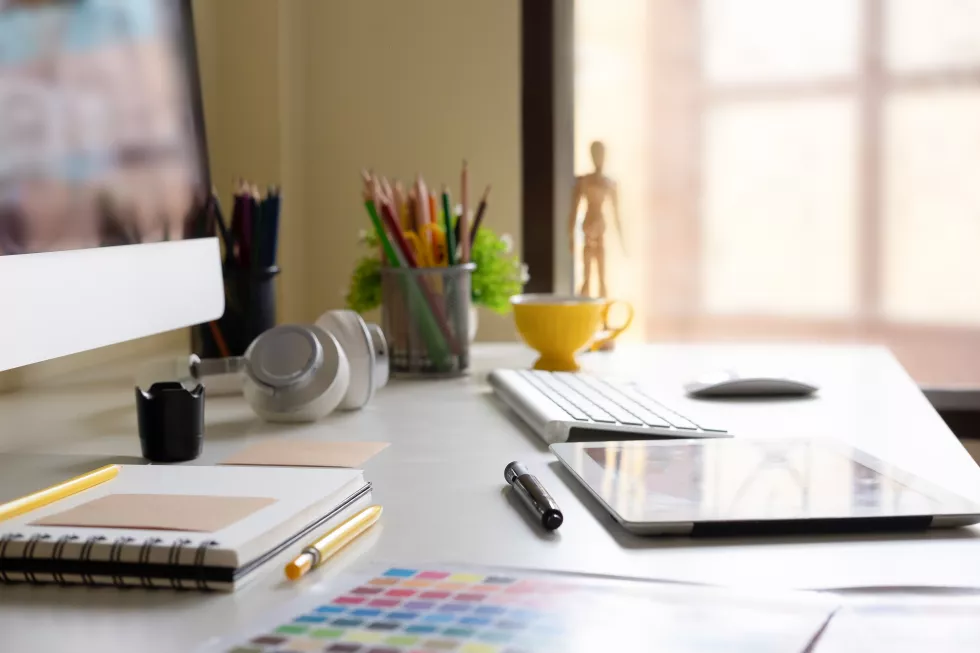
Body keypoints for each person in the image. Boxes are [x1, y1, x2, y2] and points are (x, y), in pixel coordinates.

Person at [568, 140, 625, 298]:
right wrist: (571, 237)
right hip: (587, 228)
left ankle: (603, 318)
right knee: (586, 277)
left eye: (601, 154)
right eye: (596, 154)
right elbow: (573, 211)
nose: (599, 158)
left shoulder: (609, 183)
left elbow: (617, 215)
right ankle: (584, 315)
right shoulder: (583, 182)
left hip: (600, 229)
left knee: (602, 277)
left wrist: (623, 242)